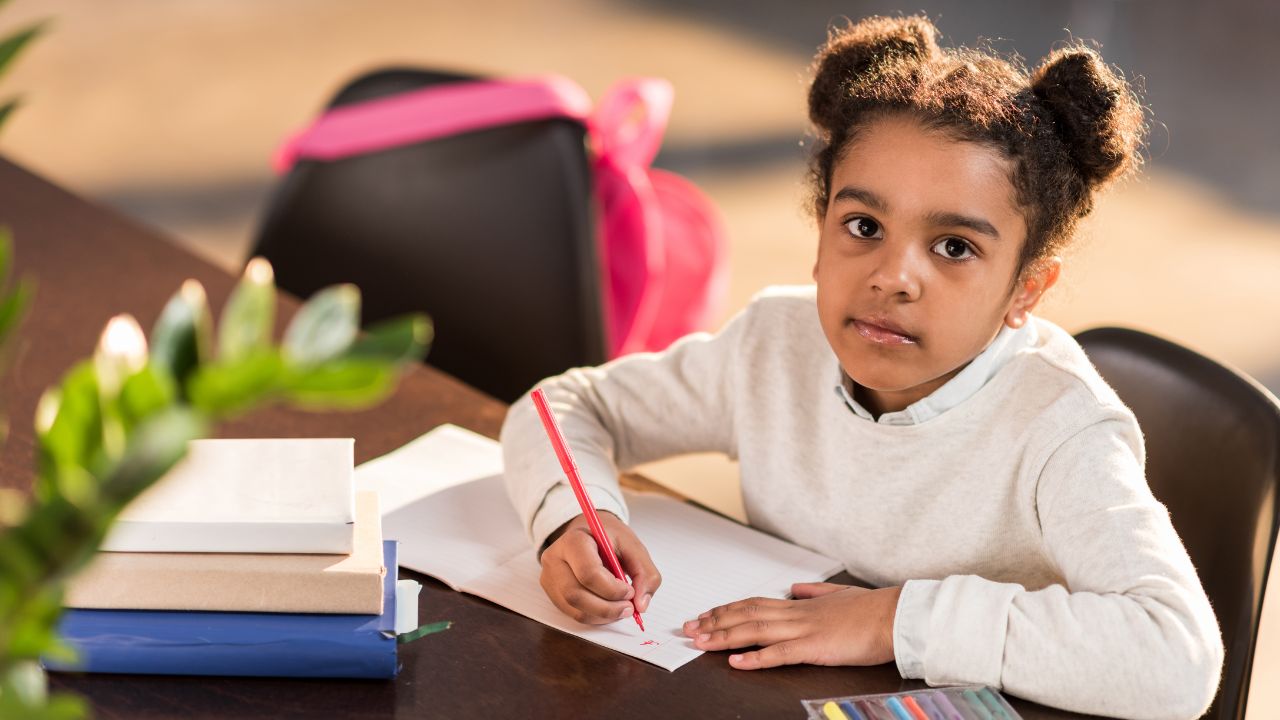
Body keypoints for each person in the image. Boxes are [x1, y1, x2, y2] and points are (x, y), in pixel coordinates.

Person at [500, 14, 1222, 719]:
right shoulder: (776, 343)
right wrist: (575, 516)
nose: (893, 276)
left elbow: (1177, 660)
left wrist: (889, 621)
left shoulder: (1059, 427)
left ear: (1025, 289)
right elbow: (563, 407)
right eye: (864, 227)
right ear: (820, 238)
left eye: (954, 248)